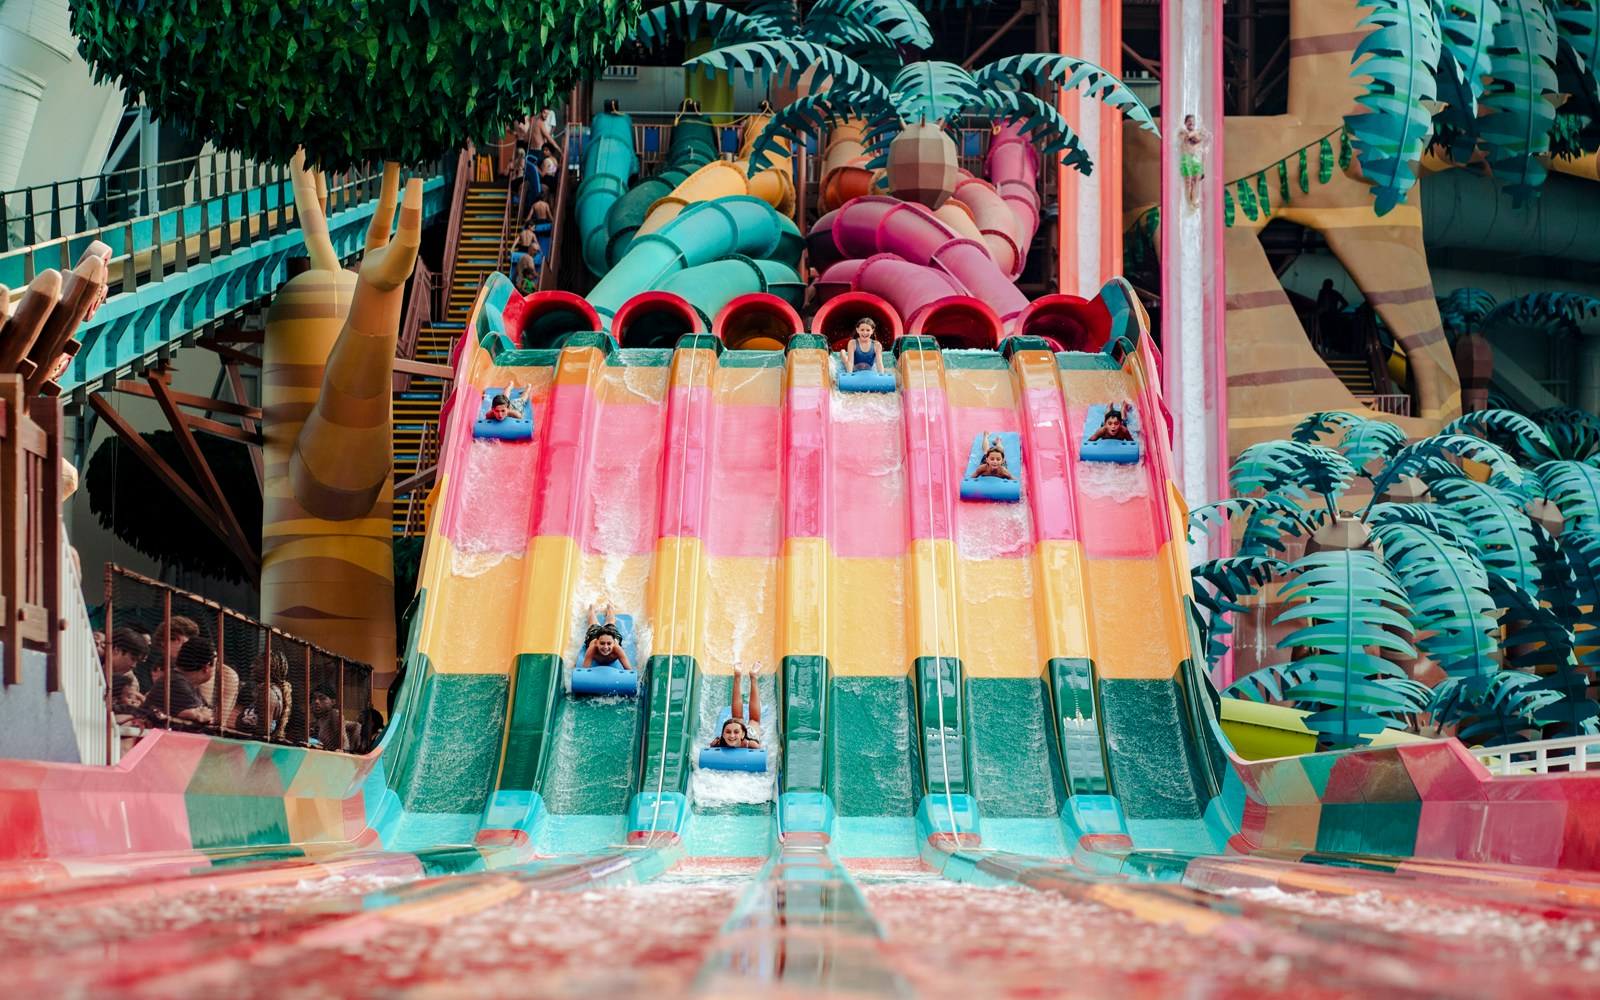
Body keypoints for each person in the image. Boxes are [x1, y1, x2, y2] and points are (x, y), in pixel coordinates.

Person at [145, 642, 214, 729]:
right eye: (215, 665)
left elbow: (209, 715)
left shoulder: (189, 685)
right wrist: (198, 714)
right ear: (207, 667)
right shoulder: (176, 681)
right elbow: (196, 715)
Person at [711, 661, 762, 749]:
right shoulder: (719, 742)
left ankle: (752, 678)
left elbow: (760, 753)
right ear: (722, 734)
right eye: (728, 732)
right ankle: (741, 676)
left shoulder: (750, 744)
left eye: (736, 732)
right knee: (737, 719)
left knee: (754, 720)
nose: (731, 736)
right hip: (742, 731)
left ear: (742, 735)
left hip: (750, 735)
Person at [581, 603, 633, 671]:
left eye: (609, 644)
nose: (605, 647)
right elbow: (584, 671)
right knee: (593, 624)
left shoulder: (617, 650)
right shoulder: (592, 649)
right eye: (602, 643)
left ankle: (609, 608)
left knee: (610, 623)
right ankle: (591, 608)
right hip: (594, 636)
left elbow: (629, 670)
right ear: (596, 643)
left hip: (611, 636)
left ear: (614, 643)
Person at [1178, 114, 1211, 210]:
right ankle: (1190, 204)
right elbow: (1186, 138)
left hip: (1196, 158)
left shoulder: (1199, 133)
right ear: (1185, 123)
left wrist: (1196, 134)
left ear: (1196, 122)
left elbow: (1198, 140)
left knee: (1196, 181)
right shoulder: (1182, 133)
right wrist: (1194, 133)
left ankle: (1193, 202)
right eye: (1189, 121)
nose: (1191, 122)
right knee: (1188, 182)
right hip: (1186, 158)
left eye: (1193, 121)